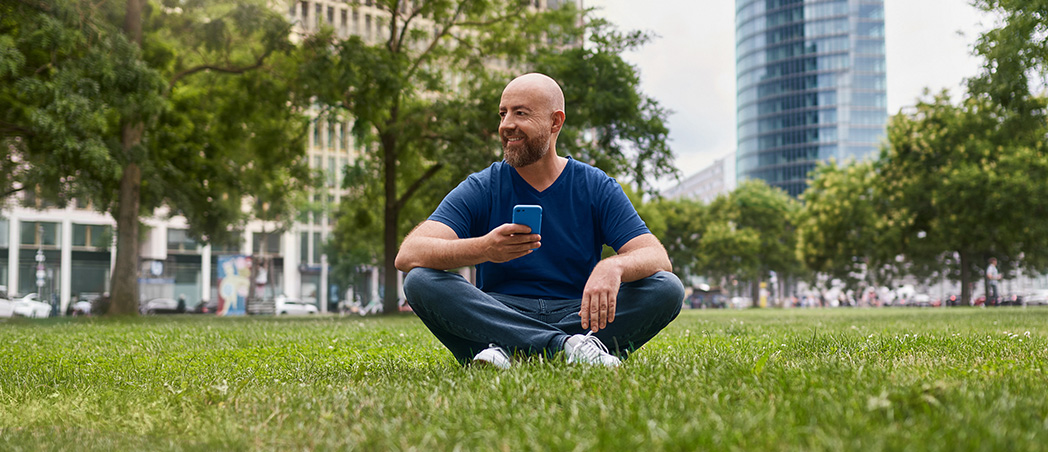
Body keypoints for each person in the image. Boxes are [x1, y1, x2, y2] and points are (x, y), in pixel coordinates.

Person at [395, 73, 684, 368]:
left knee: (666, 288)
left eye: (520, 113)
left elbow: (656, 256)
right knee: (420, 280)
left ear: (555, 122)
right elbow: (409, 254)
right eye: (503, 113)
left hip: (579, 312)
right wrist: (483, 249)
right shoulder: (483, 185)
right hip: (498, 313)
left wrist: (614, 265)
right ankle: (568, 347)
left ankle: (511, 349)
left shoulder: (595, 185)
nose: (506, 124)